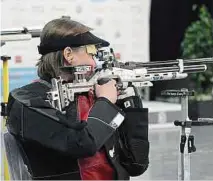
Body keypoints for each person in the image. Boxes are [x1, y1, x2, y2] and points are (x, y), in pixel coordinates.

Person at [6, 18, 149, 180]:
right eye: (91, 53)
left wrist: (131, 102)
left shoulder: (93, 96)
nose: (95, 63)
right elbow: (81, 144)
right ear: (69, 55)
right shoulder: (27, 101)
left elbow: (137, 164)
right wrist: (107, 103)